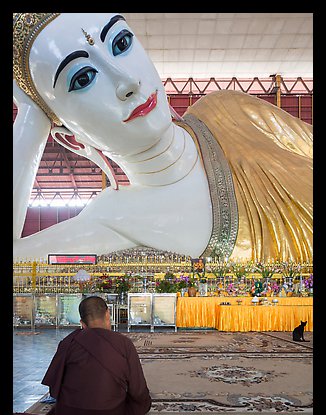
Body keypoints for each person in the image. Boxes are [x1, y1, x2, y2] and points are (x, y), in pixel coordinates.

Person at [13, 13, 312, 263]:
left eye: (121, 43)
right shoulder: (113, 218)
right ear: (72, 140)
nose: (127, 82)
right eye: (83, 78)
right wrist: (31, 115)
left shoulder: (230, 112)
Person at [13, 296, 151, 415]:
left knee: (65, 405)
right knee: (142, 403)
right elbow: (138, 390)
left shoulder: (68, 342)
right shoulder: (124, 343)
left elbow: (54, 390)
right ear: (108, 314)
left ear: (82, 324)